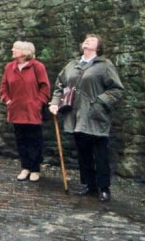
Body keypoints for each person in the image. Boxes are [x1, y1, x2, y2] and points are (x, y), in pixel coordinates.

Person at [49, 34, 124, 202]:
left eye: (92, 39)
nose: (87, 40)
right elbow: (60, 85)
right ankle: (89, 185)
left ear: (98, 47)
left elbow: (117, 89)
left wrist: (99, 102)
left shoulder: (105, 65)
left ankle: (104, 188)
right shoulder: (72, 65)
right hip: (75, 116)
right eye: (86, 39)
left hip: (96, 116)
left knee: (100, 153)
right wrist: (55, 103)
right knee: (83, 153)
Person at [0, 41, 51, 182]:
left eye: (16, 48)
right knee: (20, 140)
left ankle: (35, 169)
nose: (12, 50)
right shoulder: (9, 67)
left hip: (32, 111)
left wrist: (38, 103)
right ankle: (25, 167)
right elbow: (3, 87)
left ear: (26, 52)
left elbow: (45, 88)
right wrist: (8, 100)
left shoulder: (37, 66)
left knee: (34, 140)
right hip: (16, 110)